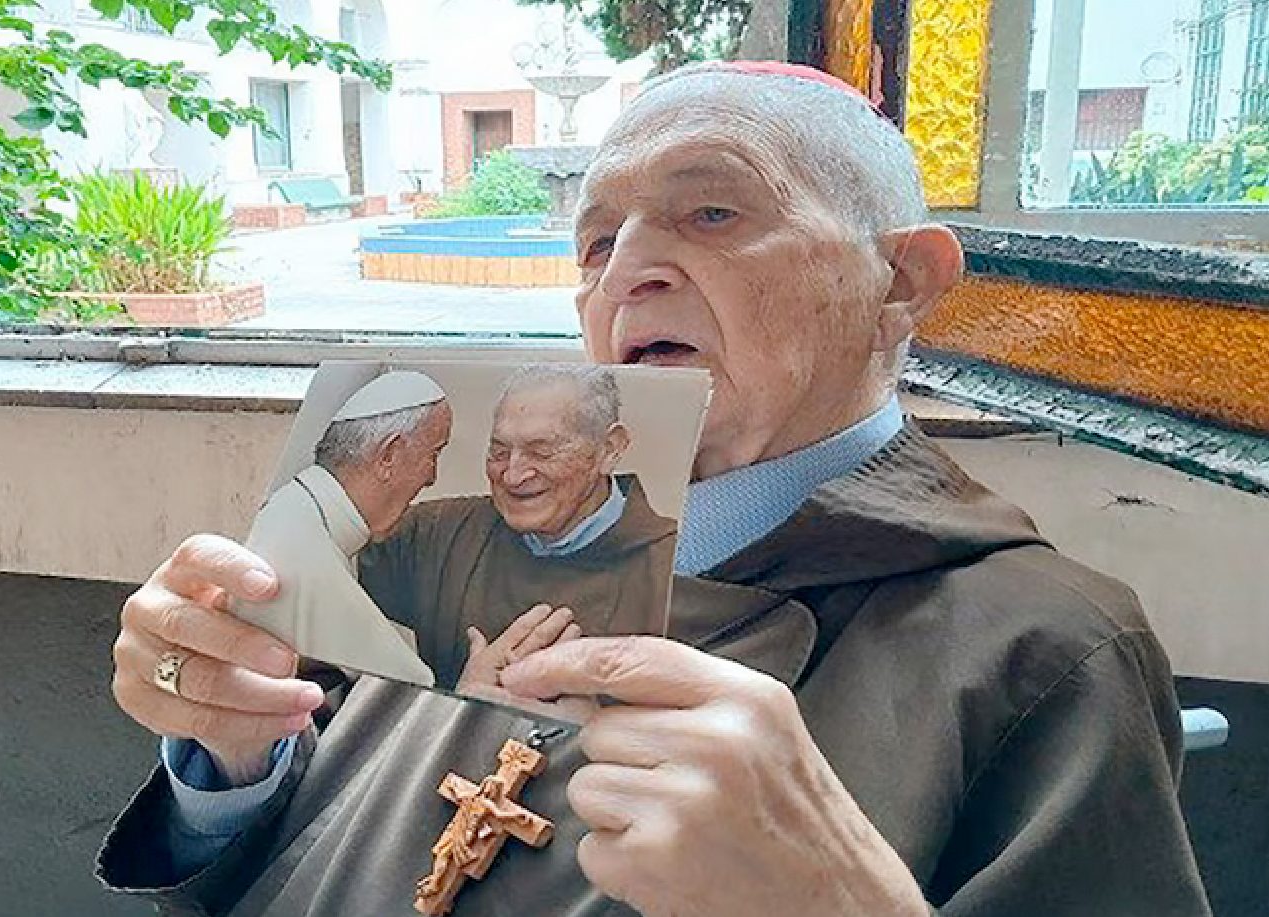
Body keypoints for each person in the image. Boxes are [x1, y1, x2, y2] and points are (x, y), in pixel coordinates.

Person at [102, 60, 1208, 916]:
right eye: (595, 242)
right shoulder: (452, 543)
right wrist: (232, 756)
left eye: (712, 212)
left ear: (901, 281)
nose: (627, 268)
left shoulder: (1048, 652)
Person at [358, 364, 678, 690]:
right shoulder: (437, 535)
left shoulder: (671, 567)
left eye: (541, 452)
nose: (513, 475)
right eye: (499, 452)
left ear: (609, 449)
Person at [234, 370, 453, 687]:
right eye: (434, 455)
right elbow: (404, 690)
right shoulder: (306, 550)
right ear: (389, 455)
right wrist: (471, 687)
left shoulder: (303, 511)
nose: (432, 478)